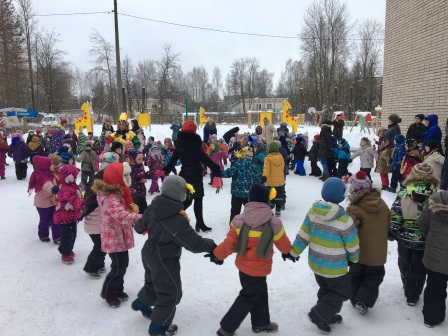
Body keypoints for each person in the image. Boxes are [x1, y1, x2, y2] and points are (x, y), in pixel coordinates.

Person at [132, 176, 217, 336]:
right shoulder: (176, 218)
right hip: (164, 257)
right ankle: (158, 327)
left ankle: (142, 303)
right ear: (181, 195)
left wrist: (142, 225)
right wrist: (212, 246)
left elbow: (139, 226)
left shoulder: (153, 206)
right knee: (170, 292)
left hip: (149, 252)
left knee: (153, 282)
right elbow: (194, 243)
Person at [213, 184, 293, 336]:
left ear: (250, 200)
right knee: (249, 296)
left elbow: (229, 243)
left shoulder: (239, 220)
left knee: (260, 292)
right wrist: (289, 252)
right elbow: (283, 243)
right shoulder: (274, 223)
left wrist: (218, 255)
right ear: (266, 200)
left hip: (243, 268)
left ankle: (261, 323)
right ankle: (226, 328)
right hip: (261, 267)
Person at [290, 177, 360, 334]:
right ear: (341, 196)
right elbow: (352, 243)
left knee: (326, 289)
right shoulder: (344, 220)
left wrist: (294, 252)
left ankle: (326, 315)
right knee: (342, 291)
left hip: (316, 263)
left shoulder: (312, 213)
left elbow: (303, 234)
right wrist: (354, 259)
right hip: (335, 267)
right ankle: (319, 314)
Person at [92, 162, 142, 307]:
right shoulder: (112, 198)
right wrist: (141, 217)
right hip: (114, 237)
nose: (128, 178)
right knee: (119, 266)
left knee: (122, 265)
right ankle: (109, 293)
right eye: (124, 175)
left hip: (119, 235)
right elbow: (120, 215)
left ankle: (118, 290)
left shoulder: (117, 193)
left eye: (128, 174)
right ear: (115, 178)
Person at [389, 163, 439, 306]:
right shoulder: (435, 196)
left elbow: (396, 214)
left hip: (404, 237)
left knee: (404, 262)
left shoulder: (404, 194)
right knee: (419, 267)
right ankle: (413, 293)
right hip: (424, 239)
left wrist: (392, 230)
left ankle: (406, 281)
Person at [163, 120, 221, 232]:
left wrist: (166, 170)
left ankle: (198, 223)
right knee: (194, 201)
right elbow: (204, 159)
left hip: (185, 175)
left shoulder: (180, 144)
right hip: (194, 175)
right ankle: (176, 220)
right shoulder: (194, 144)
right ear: (193, 131)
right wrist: (216, 168)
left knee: (189, 200)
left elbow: (173, 159)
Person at [346, 171, 390, 314]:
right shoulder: (382, 204)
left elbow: (349, 230)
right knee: (374, 277)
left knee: (355, 276)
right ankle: (363, 300)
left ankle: (354, 299)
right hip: (377, 253)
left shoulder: (354, 209)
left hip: (358, 254)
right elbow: (389, 221)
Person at [418, 189, 448, 328]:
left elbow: (423, 223)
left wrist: (432, 240)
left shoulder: (436, 199)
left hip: (435, 256)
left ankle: (432, 318)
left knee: (435, 287)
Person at [53, 165, 84, 264]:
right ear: (68, 177)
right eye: (74, 176)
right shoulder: (67, 189)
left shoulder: (71, 186)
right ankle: (65, 252)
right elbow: (74, 200)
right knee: (67, 236)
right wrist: (83, 205)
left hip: (71, 216)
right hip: (64, 217)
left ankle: (68, 249)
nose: (75, 178)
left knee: (72, 234)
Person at [221, 146, 260, 223]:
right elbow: (257, 178)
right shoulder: (253, 166)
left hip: (236, 192)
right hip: (248, 193)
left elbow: (229, 173)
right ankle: (250, 224)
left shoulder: (238, 164)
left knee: (235, 210)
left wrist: (219, 173)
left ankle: (233, 225)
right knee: (249, 210)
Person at [79, 171, 107, 279]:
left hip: (97, 225)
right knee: (100, 247)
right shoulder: (97, 194)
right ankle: (91, 268)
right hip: (95, 225)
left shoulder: (94, 190)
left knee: (101, 246)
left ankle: (99, 264)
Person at [28, 156, 61, 244]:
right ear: (44, 165)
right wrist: (57, 189)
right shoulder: (41, 177)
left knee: (55, 219)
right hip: (42, 204)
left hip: (52, 201)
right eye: (50, 164)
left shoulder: (49, 173)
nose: (53, 166)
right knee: (44, 220)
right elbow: (48, 186)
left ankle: (57, 237)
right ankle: (43, 235)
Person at [262, 142, 285, 217]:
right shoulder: (281, 157)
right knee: (279, 195)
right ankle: (278, 209)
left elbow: (266, 169)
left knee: (271, 195)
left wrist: (264, 176)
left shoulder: (267, 159)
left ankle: (270, 208)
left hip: (270, 181)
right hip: (280, 181)